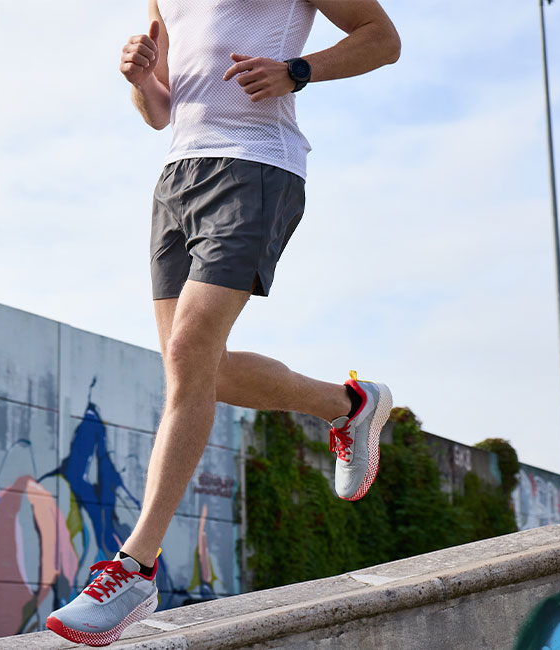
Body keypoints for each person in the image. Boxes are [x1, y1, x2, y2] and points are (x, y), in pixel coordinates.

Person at [47, 0, 400, 645]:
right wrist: (141, 79)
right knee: (196, 371)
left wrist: (299, 69)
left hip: (256, 164)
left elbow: (383, 39)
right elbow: (161, 111)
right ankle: (347, 404)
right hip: (178, 176)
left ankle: (134, 570)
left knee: (187, 358)